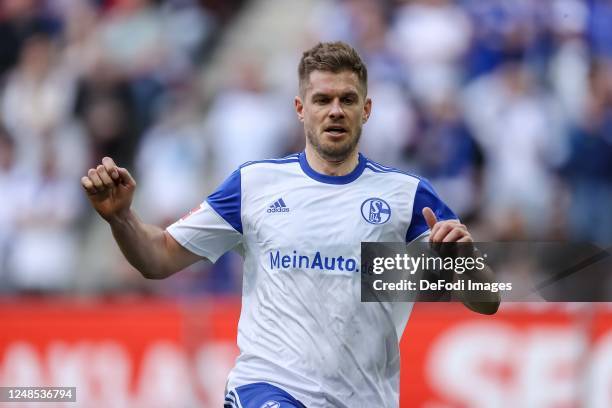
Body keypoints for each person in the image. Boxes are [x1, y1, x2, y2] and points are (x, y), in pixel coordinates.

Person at [81, 42, 499, 408]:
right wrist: (121, 218)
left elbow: (487, 300)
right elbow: (159, 258)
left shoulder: (407, 195)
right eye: (322, 99)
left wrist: (463, 265)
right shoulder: (255, 184)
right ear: (301, 109)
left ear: (366, 110)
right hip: (267, 387)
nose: (335, 111)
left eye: (348, 100)